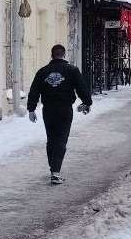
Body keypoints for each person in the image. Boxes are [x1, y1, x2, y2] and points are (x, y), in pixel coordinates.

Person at [27, 44, 93, 185]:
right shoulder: (72, 70)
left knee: (51, 139)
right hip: (64, 109)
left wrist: (31, 109)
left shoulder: (43, 71)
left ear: (52, 55)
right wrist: (87, 102)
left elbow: (34, 91)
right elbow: (81, 88)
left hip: (48, 110)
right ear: (64, 55)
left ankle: (53, 169)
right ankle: (55, 172)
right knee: (61, 139)